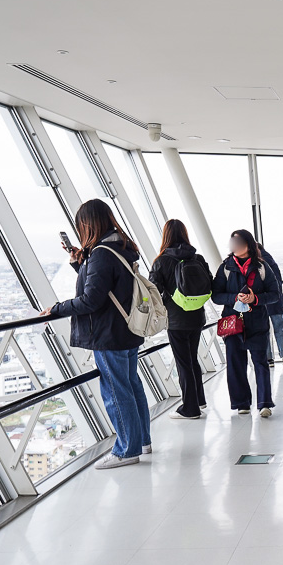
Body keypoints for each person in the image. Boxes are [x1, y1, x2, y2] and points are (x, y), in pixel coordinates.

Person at [40, 199, 151, 469]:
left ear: (88, 224)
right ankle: (142, 440)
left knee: (117, 391)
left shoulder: (102, 252)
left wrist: (56, 309)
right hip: (128, 328)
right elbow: (110, 287)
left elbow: (91, 300)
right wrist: (80, 264)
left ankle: (126, 450)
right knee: (131, 385)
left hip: (109, 333)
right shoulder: (121, 247)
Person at [212, 229, 280, 418]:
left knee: (260, 362)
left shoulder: (262, 267)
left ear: (248, 244)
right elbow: (216, 295)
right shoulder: (225, 267)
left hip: (257, 322)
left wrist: (255, 299)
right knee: (235, 363)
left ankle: (265, 403)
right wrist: (235, 297)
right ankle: (241, 403)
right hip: (233, 323)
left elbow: (275, 294)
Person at [148, 219, 212, 420]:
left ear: (165, 236)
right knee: (192, 358)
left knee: (183, 362)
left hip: (176, 319)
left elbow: (153, 290)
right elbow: (209, 281)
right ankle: (199, 399)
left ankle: (190, 408)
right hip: (197, 315)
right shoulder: (197, 258)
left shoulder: (161, 261)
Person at [259, 244, 283, 368]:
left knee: (264, 330)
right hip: (276, 302)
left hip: (262, 302)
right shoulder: (273, 263)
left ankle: (268, 359)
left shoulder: (260, 264)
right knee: (280, 330)